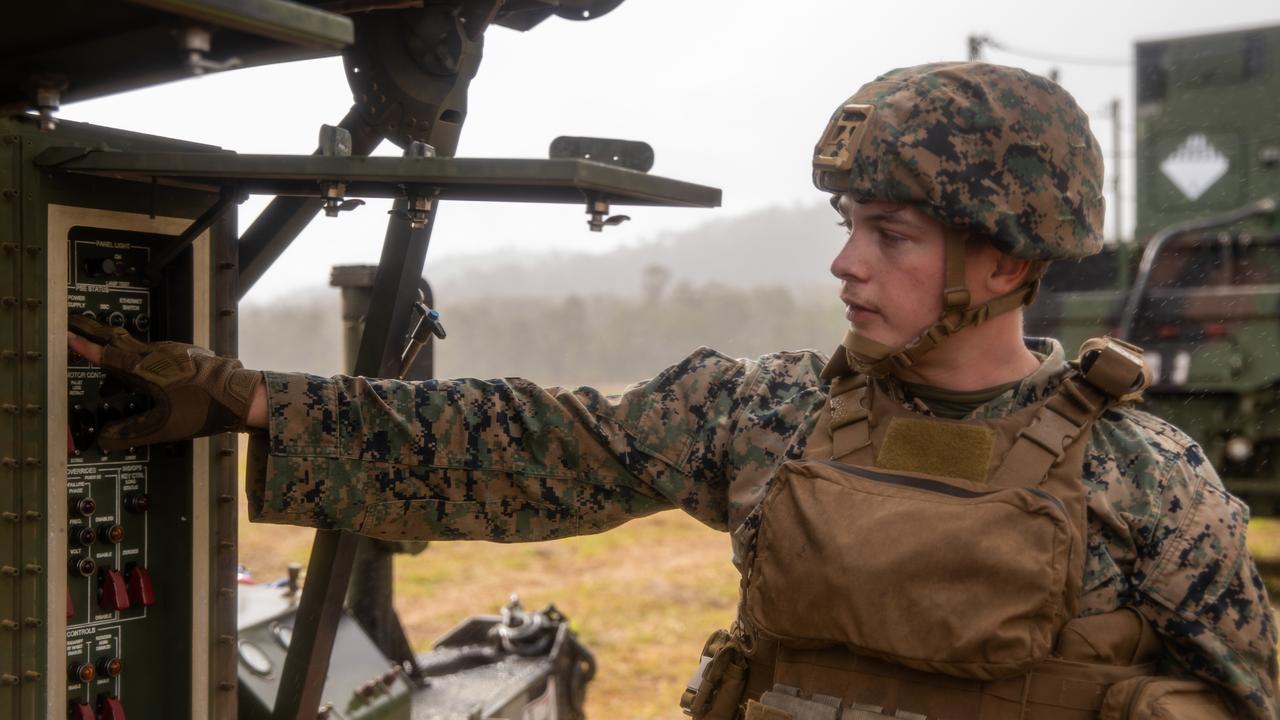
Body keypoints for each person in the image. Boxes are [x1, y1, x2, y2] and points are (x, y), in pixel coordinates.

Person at [68, 62, 1277, 720]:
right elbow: (533, 443)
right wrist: (244, 396)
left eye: (892, 234)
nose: (844, 263)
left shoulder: (1146, 481)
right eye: (848, 225)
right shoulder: (767, 414)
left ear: (1006, 258)